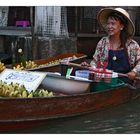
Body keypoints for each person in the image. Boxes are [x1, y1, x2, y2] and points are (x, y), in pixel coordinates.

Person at [81, 7, 140, 85]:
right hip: (105, 82)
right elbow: (95, 61)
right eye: (108, 23)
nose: (109, 26)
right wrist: (90, 66)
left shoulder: (132, 45)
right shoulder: (102, 43)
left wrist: (134, 72)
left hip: (125, 85)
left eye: (113, 24)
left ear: (121, 26)